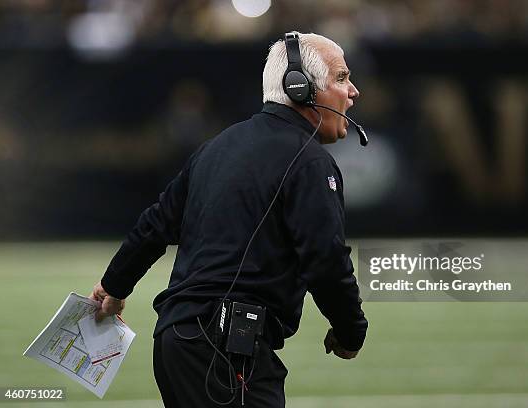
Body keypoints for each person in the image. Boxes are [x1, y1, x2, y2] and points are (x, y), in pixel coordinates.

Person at [89, 32, 368, 407]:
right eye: (341, 77)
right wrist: (351, 331)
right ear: (300, 88)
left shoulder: (217, 146)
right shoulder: (309, 161)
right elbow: (326, 260)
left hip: (177, 342)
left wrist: (113, 285)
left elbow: (156, 223)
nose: (353, 92)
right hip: (224, 349)